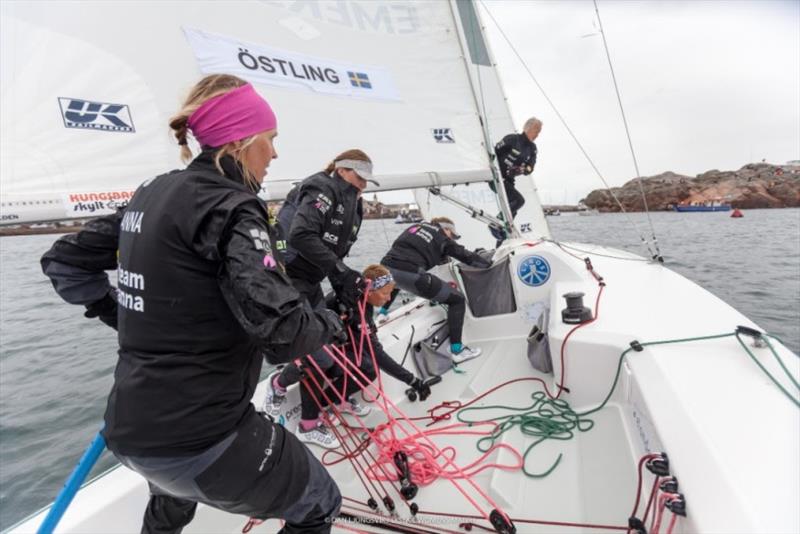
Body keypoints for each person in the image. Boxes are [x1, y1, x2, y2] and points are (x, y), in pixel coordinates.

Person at [40, 75, 344, 534]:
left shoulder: (152, 194)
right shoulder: (233, 207)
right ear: (241, 142)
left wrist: (123, 315)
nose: (275, 155)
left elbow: (64, 260)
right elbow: (285, 333)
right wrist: (330, 320)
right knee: (320, 503)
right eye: (271, 140)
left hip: (130, 432)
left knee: (173, 499)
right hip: (203, 438)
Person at [264, 150, 375, 448]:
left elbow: (337, 250)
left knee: (330, 347)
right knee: (317, 354)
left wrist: (344, 286)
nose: (362, 186)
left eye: (366, 181)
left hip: (312, 281)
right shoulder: (321, 187)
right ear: (342, 170)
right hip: (290, 281)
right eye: (359, 178)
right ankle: (305, 421)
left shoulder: (353, 201)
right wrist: (340, 270)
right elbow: (301, 235)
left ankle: (307, 391)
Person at [278, 265, 431, 447]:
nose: (389, 299)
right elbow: (377, 354)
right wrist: (412, 380)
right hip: (315, 353)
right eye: (385, 293)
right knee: (346, 364)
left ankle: (332, 401)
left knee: (368, 368)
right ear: (370, 290)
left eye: (391, 293)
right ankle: (308, 418)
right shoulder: (356, 308)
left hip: (335, 346)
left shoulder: (363, 302)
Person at [380, 217, 491, 363]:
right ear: (446, 229)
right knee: (457, 300)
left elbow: (404, 253)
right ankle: (457, 351)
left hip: (385, 268)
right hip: (411, 274)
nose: (452, 238)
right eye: (452, 235)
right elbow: (466, 256)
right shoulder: (442, 237)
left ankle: (382, 313)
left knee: (395, 279)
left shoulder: (415, 227)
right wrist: (488, 263)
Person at [490, 117, 542, 243]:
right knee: (518, 200)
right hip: (496, 178)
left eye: (539, 131)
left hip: (509, 181)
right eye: (536, 130)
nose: (537, 134)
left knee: (512, 214)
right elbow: (493, 153)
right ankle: (495, 223)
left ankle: (502, 243)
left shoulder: (533, 148)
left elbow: (531, 166)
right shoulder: (512, 139)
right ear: (527, 128)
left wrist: (522, 170)